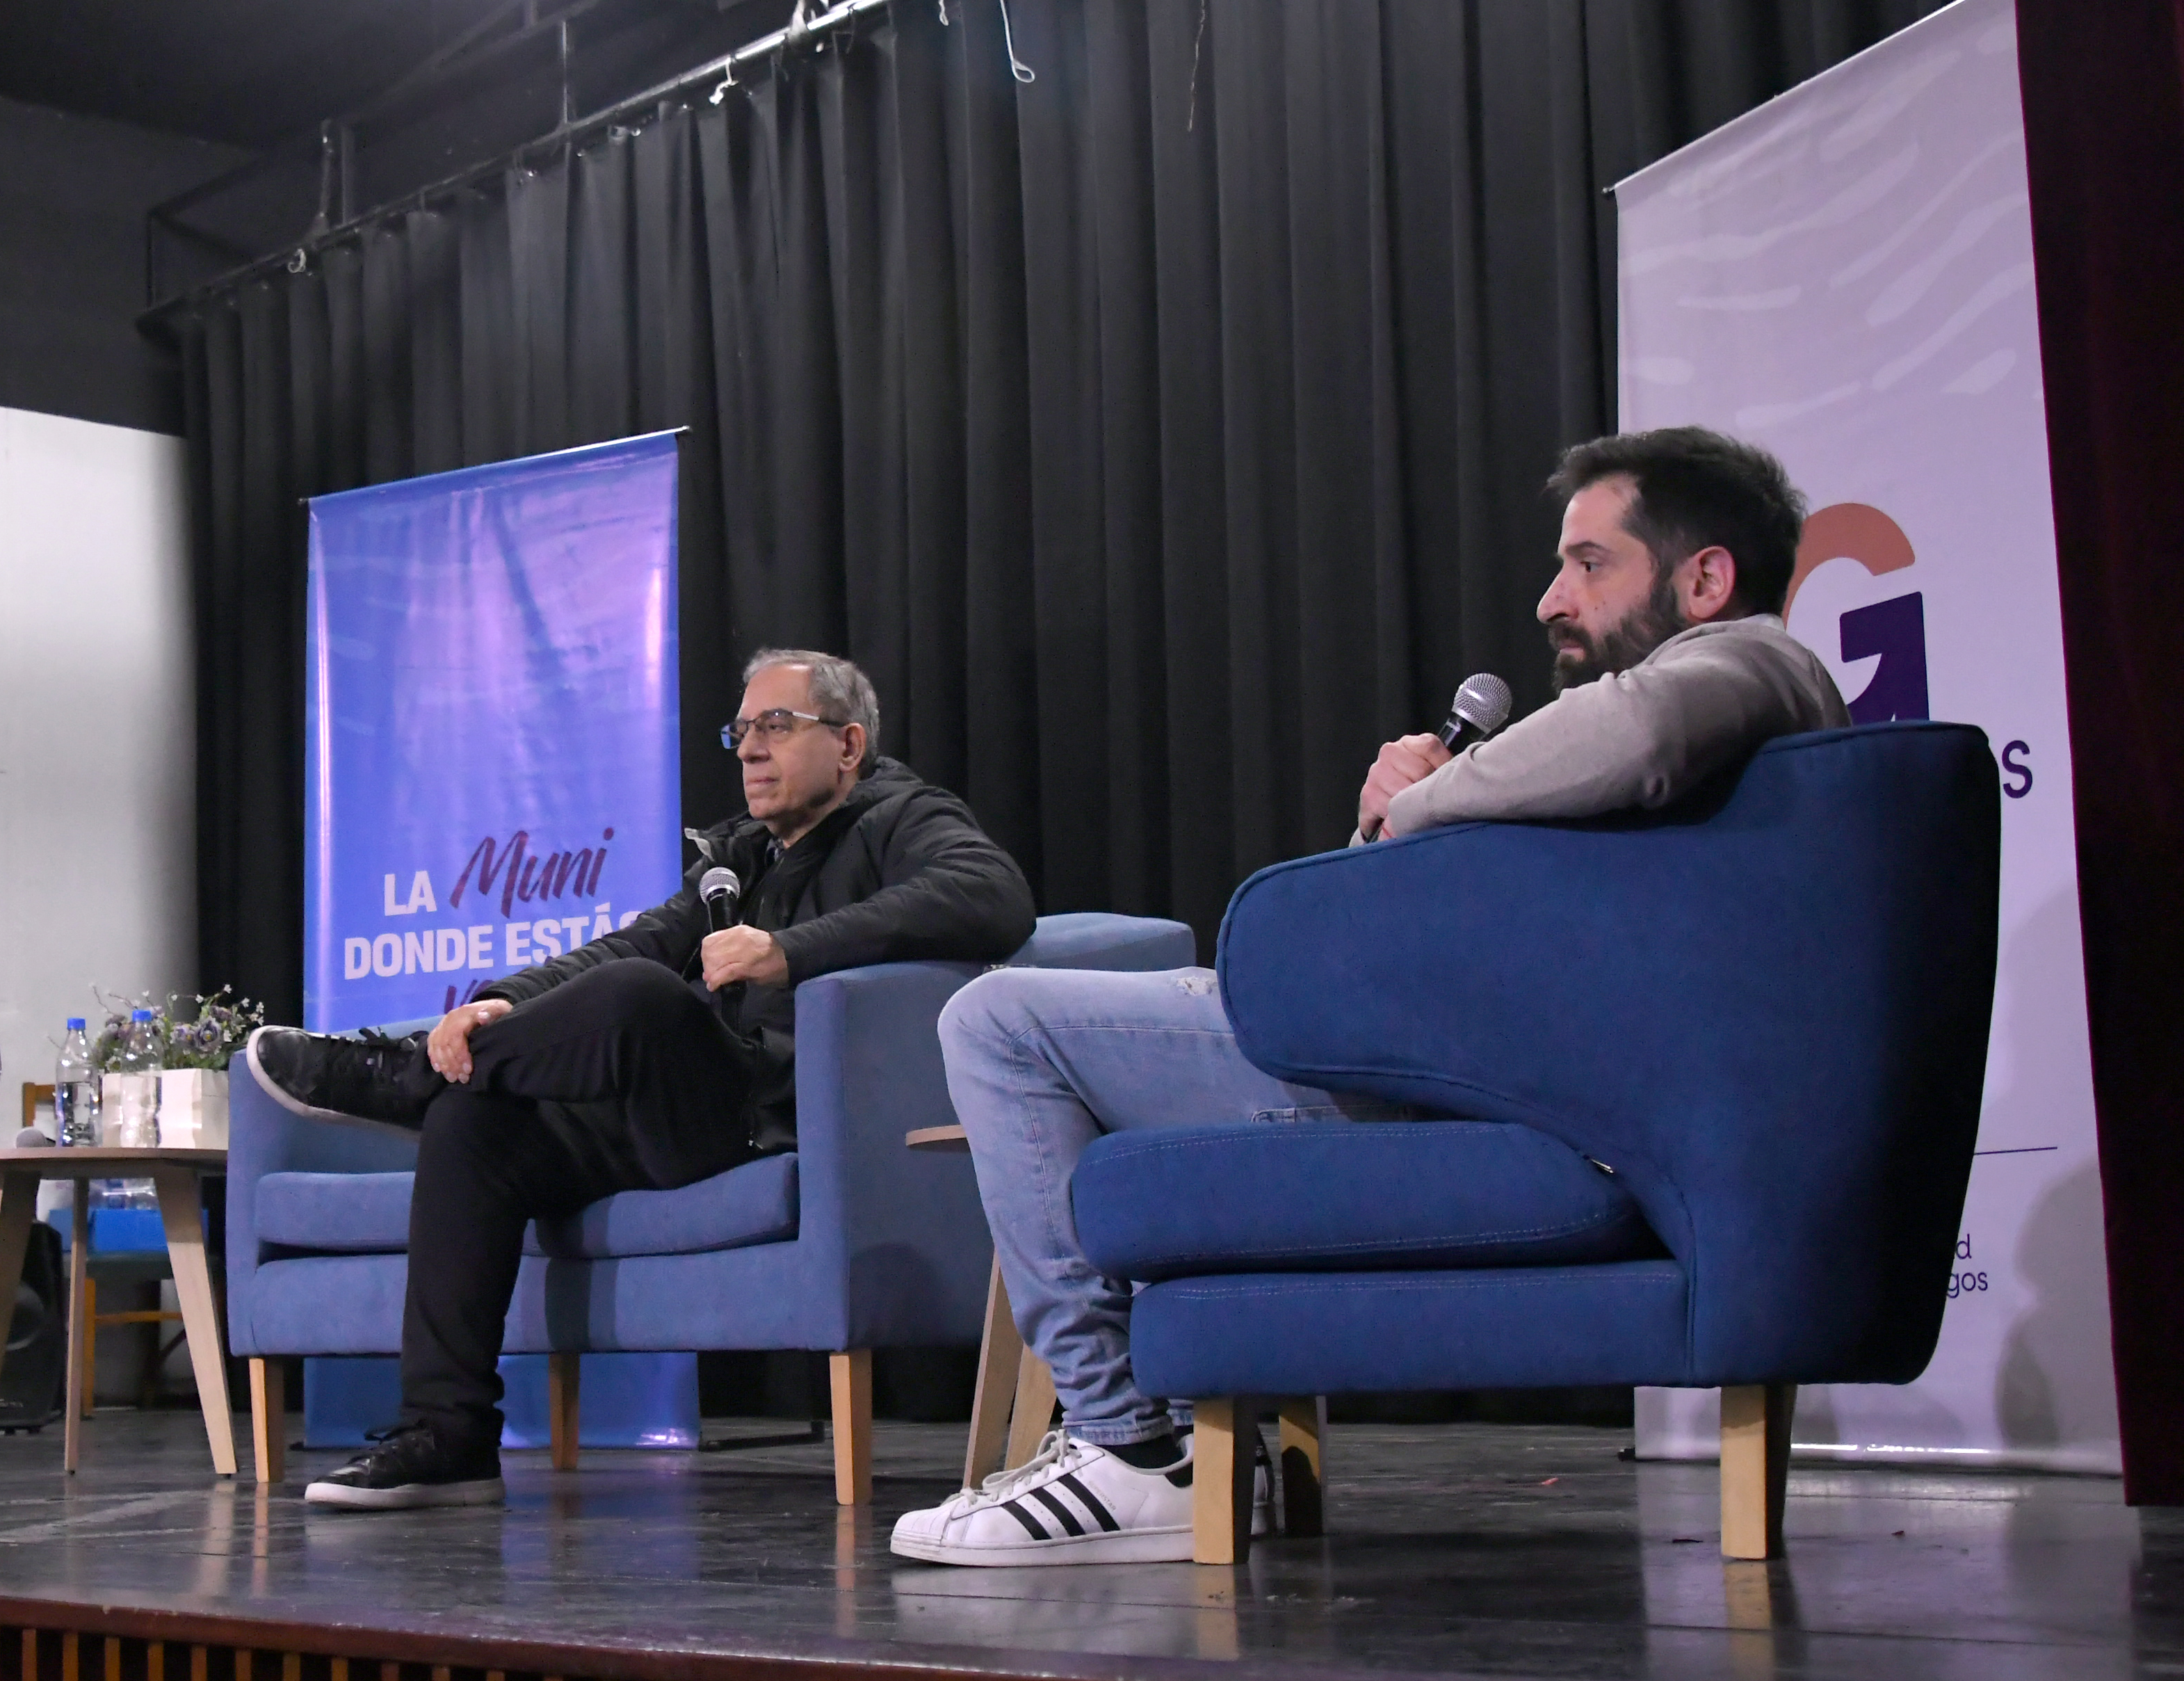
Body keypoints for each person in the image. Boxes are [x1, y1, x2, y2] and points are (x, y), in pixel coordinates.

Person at [896, 426, 1851, 1567]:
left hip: (1504, 1104)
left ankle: (1130, 1443)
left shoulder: (1746, 666)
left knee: (998, 1023)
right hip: (1447, 1065)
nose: (1552, 598)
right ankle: (1171, 1434)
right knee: (1061, 1033)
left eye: (1590, 562)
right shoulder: (1671, 760)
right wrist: (1384, 825)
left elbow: (1639, 731)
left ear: (1705, 577)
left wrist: (1438, 798)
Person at [248, 648, 1036, 1509]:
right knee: (477, 1122)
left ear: (848, 745)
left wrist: (791, 950)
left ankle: (402, 1078)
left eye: (777, 725)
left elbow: (992, 895)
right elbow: (629, 943)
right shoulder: (741, 856)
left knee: (641, 1000)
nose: (749, 749)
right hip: (681, 1119)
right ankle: (449, 1434)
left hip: (769, 1120)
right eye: (740, 731)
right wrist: (498, 1002)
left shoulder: (899, 816)